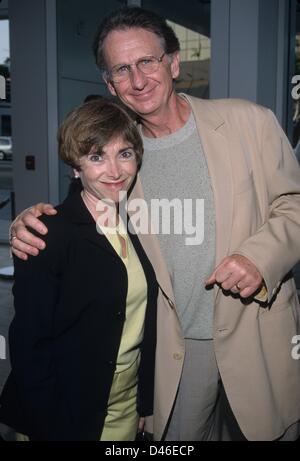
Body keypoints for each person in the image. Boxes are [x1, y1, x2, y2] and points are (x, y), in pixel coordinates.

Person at [9, 7, 300, 441]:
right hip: (173, 351)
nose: (138, 80)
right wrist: (27, 219)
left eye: (148, 61)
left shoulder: (248, 122)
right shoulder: (121, 152)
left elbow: (293, 203)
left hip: (255, 332)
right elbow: (82, 213)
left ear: (174, 62)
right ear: (109, 85)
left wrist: (259, 258)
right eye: (122, 70)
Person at [0, 98, 157, 441]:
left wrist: (141, 402)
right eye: (97, 157)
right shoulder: (46, 234)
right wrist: (53, 425)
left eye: (125, 153)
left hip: (124, 404)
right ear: (75, 166)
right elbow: (30, 347)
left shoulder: (140, 223)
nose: (115, 171)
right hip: (64, 412)